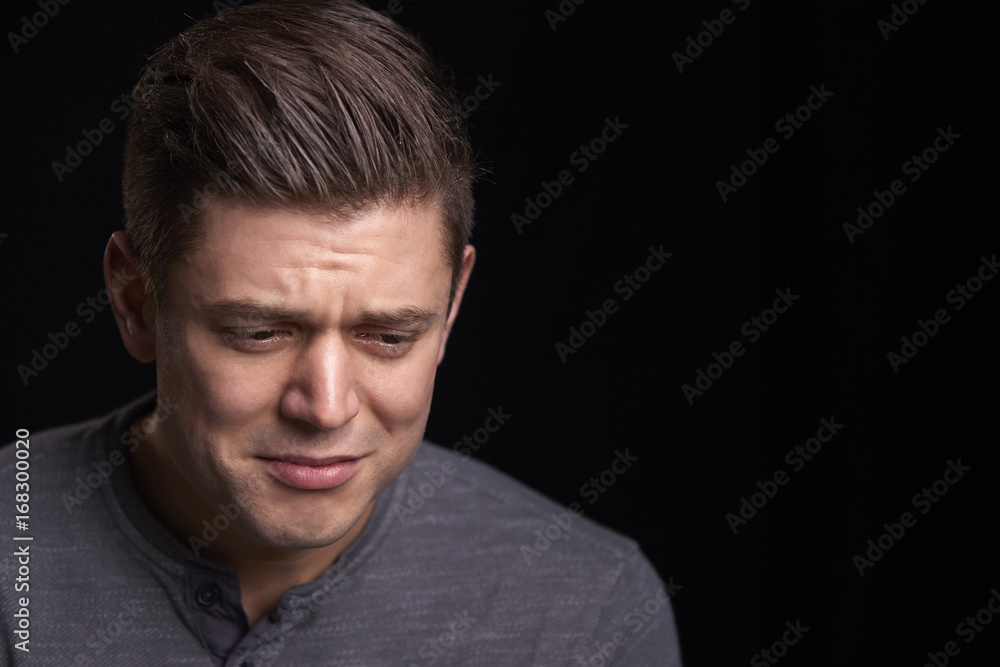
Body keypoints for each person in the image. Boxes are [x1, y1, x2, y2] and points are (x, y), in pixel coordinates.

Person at [1, 1, 682, 664]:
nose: (326, 407)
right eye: (260, 332)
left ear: (450, 309)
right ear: (135, 301)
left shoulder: (586, 613)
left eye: (387, 336)